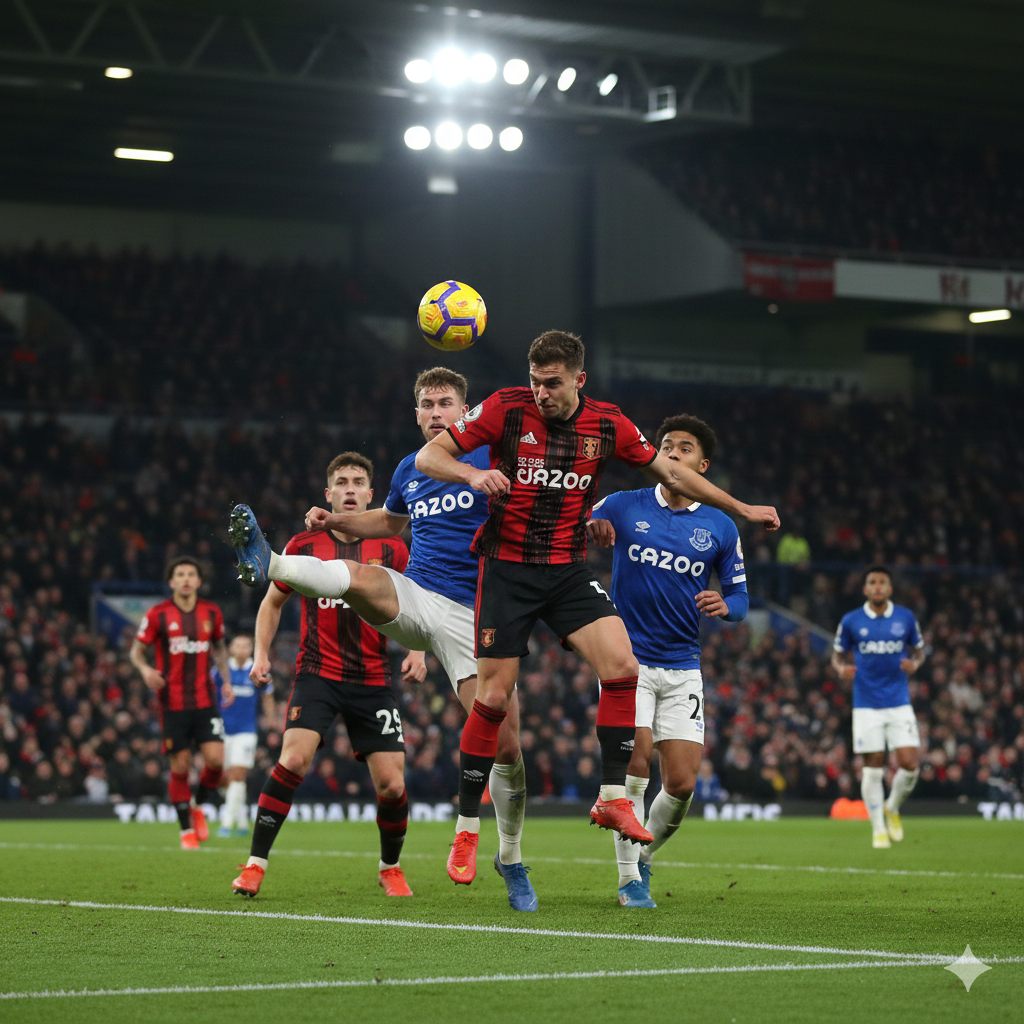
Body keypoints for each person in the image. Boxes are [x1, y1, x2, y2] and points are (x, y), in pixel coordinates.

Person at [414, 332, 778, 885]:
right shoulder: (505, 408)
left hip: (563, 568)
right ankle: (466, 828)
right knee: (492, 699)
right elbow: (429, 454)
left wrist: (741, 506)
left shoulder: (608, 424)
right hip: (507, 568)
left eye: (553, 383)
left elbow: (672, 473)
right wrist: (472, 473)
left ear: (578, 380)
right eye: (536, 381)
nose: (541, 393)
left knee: (623, 666)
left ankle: (611, 798)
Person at [229, 368, 538, 912]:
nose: (435, 412)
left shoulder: (496, 453)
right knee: (363, 579)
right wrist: (335, 526)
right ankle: (270, 559)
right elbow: (390, 525)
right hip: (415, 601)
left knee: (506, 746)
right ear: (416, 414)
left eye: (446, 403)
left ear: (466, 411)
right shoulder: (410, 471)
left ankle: (509, 856)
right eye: (426, 404)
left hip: (479, 615)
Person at [229, 452, 424, 898]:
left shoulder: (393, 548)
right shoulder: (302, 545)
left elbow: (417, 602)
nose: (351, 488)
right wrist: (261, 654)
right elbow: (272, 603)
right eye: (342, 482)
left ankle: (390, 867)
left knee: (392, 784)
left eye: (359, 481)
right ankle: (255, 864)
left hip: (374, 678)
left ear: (373, 495)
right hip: (317, 672)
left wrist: (417, 650)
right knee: (293, 760)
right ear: (329, 494)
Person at [588, 413, 749, 907]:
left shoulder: (719, 526)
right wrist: (591, 528)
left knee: (680, 786)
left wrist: (726, 607)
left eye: (684, 447)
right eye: (666, 445)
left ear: (703, 464)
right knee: (634, 766)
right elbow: (573, 526)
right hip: (628, 663)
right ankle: (628, 880)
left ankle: (644, 857)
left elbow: (741, 599)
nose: (673, 452)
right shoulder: (622, 505)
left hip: (683, 668)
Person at [130, 557, 232, 850]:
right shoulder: (157, 614)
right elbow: (136, 652)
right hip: (172, 702)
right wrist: (145, 669)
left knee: (215, 760)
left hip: (205, 699)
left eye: (191, 574)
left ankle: (198, 805)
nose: (186, 579)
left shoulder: (211, 612)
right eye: (180, 574)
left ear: (199, 581)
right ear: (171, 581)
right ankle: (186, 830)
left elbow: (220, 648)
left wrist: (225, 681)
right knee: (181, 767)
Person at [832, 565, 925, 848]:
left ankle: (892, 807)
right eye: (872, 582)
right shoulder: (851, 620)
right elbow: (837, 655)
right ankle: (878, 830)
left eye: (882, 582)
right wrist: (840, 669)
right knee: (873, 769)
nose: (877, 587)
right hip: (866, 704)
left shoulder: (905, 618)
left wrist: (916, 663)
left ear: (890, 588)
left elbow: (919, 649)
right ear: (865, 589)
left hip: (898, 701)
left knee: (910, 765)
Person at [213, 634, 275, 838]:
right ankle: (241, 819)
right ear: (230, 648)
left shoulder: (257, 669)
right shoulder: (220, 672)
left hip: (246, 731)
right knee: (224, 778)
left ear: (251, 649)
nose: (241, 648)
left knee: (238, 775)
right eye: (237, 644)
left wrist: (272, 722)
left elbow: (267, 696)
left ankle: (226, 822)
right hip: (221, 731)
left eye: (245, 645)